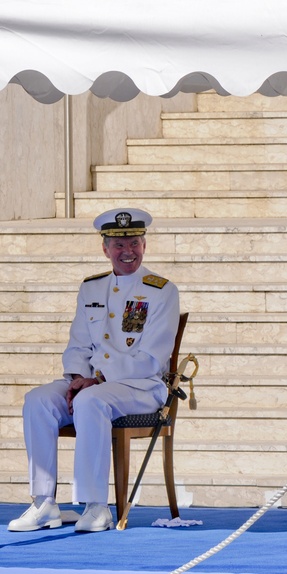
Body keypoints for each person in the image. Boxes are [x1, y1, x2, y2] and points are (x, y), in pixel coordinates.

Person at [8, 208, 180, 533]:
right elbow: (77, 345)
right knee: (38, 400)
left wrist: (96, 380)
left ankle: (96, 506)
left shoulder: (162, 291)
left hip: (141, 388)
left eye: (134, 244)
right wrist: (76, 379)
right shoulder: (91, 289)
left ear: (145, 245)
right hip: (90, 384)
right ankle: (44, 503)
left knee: (91, 401)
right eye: (118, 245)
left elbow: (152, 359)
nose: (127, 252)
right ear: (105, 248)